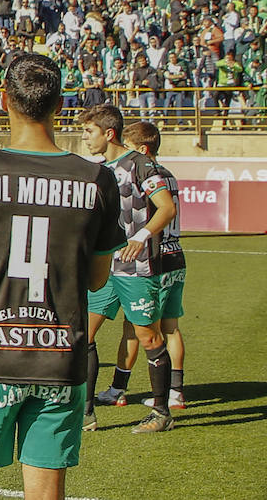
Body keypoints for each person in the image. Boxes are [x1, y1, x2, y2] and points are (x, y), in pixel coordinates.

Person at [0, 53, 122, 500]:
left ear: (4, 101)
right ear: (59, 104)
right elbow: (98, 280)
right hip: (59, 357)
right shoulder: (97, 178)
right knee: (45, 491)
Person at [79, 103, 178, 433]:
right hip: (107, 266)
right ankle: (87, 411)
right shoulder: (100, 170)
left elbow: (167, 208)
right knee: (83, 334)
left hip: (137, 268)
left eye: (89, 131)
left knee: (149, 338)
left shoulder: (140, 164)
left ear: (109, 133)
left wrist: (142, 235)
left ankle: (161, 413)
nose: (84, 138)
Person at [108, 122, 190, 411]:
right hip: (175, 255)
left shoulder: (140, 174)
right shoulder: (169, 175)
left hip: (151, 258)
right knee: (171, 327)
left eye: (129, 149)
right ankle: (175, 392)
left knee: (137, 327)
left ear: (142, 149)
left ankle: (120, 388)